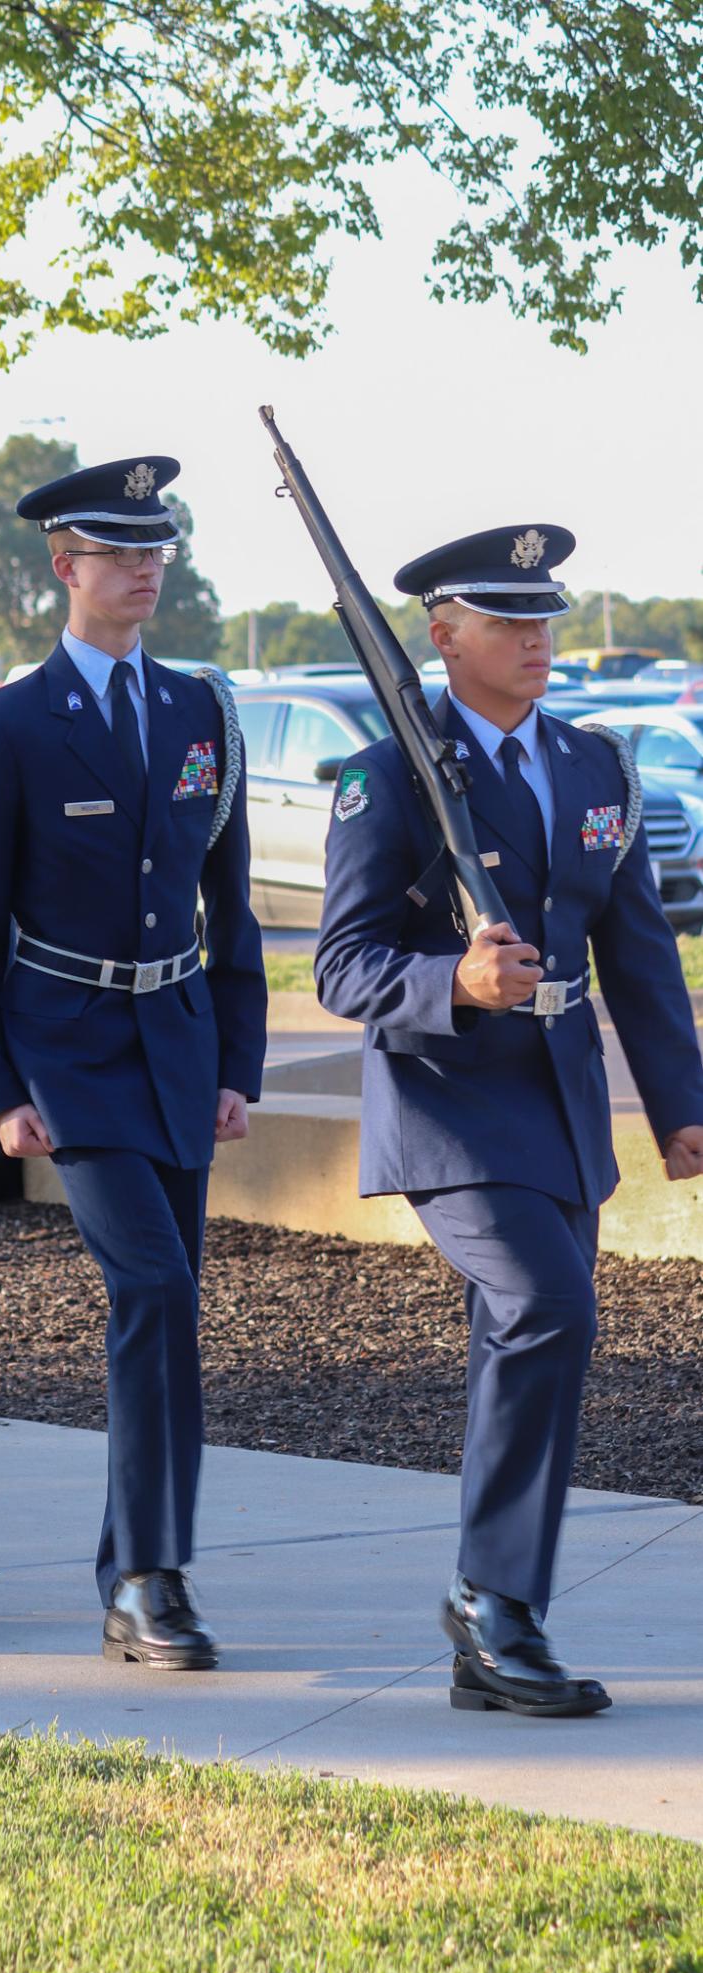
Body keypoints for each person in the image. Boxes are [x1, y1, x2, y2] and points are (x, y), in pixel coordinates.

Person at [315, 524, 703, 1717]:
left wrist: (680, 1110)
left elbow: (637, 953)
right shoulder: (389, 777)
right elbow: (339, 968)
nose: (534, 634)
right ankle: (493, 1603)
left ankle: (492, 1626)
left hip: (562, 1105)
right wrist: (450, 985)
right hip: (449, 1108)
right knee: (546, 1308)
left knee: (525, 1337)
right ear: (440, 636)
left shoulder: (592, 764)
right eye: (503, 617)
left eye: (542, 613)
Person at [0, 457, 268, 1670]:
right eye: (118, 550)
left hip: (175, 1047)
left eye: (156, 550)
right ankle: (143, 1575)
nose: (143, 568)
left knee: (173, 1301)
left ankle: (143, 1559)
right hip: (65, 1054)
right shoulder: (10, 723)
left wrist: (238, 1058)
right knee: (154, 1289)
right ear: (63, 567)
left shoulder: (199, 712)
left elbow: (224, 907)